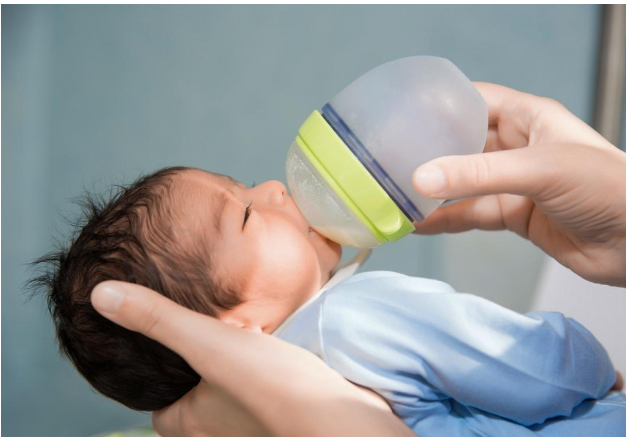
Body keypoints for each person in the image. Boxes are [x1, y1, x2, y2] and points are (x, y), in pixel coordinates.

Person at [89, 82, 625, 435]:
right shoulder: (353, 314)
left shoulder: (260, 411)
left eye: (247, 186)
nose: (275, 187)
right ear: (233, 327)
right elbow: (529, 367)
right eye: (246, 216)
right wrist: (594, 368)